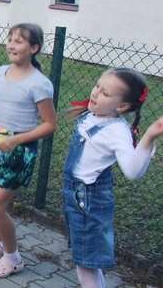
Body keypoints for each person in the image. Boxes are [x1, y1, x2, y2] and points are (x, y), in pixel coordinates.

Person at [0, 23, 57, 279]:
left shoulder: (40, 84)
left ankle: (13, 258)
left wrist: (16, 141)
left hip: (19, 150)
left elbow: (50, 125)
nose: (11, 45)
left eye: (19, 41)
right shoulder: (1, 72)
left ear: (34, 48)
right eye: (10, 39)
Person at [62, 69, 163, 288]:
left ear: (122, 107)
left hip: (88, 200)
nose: (96, 93)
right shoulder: (93, 115)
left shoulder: (117, 130)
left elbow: (133, 171)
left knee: (86, 264)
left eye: (105, 93)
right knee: (86, 263)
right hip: (74, 195)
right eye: (97, 86)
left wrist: (150, 135)